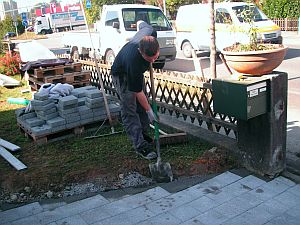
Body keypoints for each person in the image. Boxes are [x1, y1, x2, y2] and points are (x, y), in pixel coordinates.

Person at [111, 21, 160, 160]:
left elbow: (143, 25)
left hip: (135, 72)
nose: (152, 61)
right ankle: (140, 145)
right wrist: (149, 110)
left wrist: (139, 23)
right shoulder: (134, 62)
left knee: (141, 106)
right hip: (122, 74)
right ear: (140, 51)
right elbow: (138, 92)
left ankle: (144, 134)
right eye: (149, 59)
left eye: (155, 57)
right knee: (130, 109)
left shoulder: (150, 32)